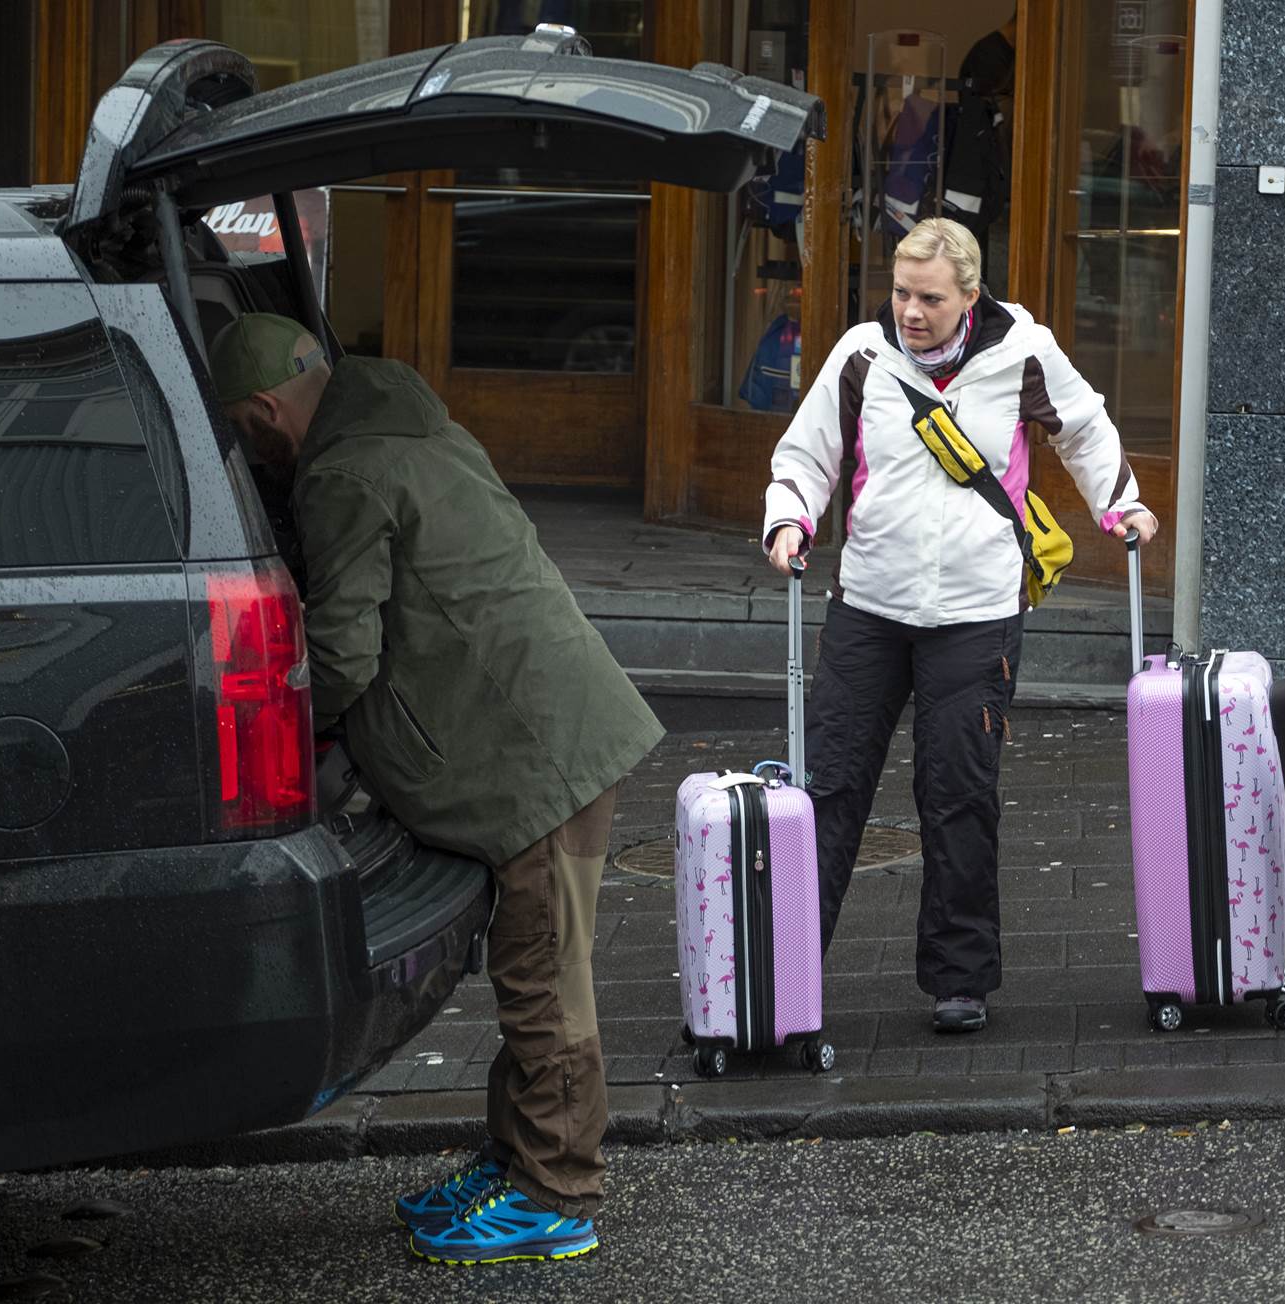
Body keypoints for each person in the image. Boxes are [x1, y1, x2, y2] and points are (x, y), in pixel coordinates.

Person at [209, 313, 664, 1262]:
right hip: (551, 726)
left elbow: (341, 654)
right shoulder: (406, 423)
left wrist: (294, 730)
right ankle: (515, 1160)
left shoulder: (340, 475)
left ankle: (556, 1193)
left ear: (261, 413)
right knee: (535, 965)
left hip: (536, 753)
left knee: (545, 979)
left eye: (243, 435)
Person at [761, 218, 1156, 1033]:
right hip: (869, 606)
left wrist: (1124, 507)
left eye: (930, 298)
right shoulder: (862, 355)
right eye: (902, 293)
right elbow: (808, 452)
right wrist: (790, 518)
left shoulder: (1023, 351)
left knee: (959, 793)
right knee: (830, 788)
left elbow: (1084, 429)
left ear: (970, 296)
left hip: (977, 612)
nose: (911, 311)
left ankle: (960, 980)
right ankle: (785, 970)